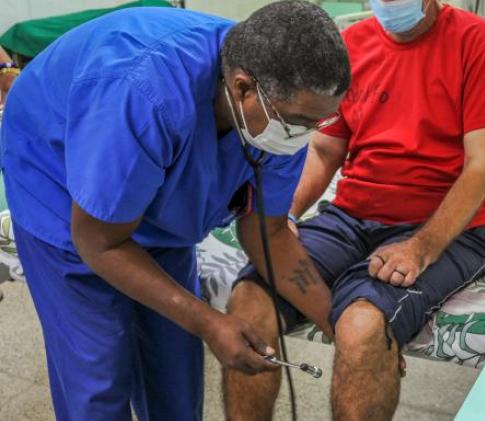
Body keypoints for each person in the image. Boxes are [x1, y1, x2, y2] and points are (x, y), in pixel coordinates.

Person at [0, 1, 349, 420]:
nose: (305, 135)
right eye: (300, 121)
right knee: (98, 378)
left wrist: (338, 325)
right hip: (59, 181)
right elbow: (101, 243)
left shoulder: (281, 114)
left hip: (146, 192)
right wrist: (208, 322)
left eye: (318, 123)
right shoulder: (145, 93)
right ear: (242, 89)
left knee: (175, 381)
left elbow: (269, 233)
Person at [224, 0, 485, 419]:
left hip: (445, 228)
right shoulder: (350, 46)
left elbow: (483, 165)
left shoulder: (480, 43)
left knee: (362, 327)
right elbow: (325, 150)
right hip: (350, 216)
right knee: (250, 302)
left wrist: (419, 248)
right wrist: (285, 216)